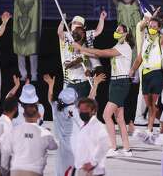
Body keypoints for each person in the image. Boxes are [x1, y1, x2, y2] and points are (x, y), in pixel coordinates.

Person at [73, 24, 134, 157]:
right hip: (115, 82)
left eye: (119, 30)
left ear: (125, 34)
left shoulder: (125, 47)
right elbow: (99, 53)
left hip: (121, 83)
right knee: (119, 118)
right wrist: (82, 51)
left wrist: (81, 48)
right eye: (116, 28)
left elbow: (101, 53)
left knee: (106, 115)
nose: (116, 31)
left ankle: (113, 147)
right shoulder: (118, 46)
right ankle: (127, 149)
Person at [43, 73, 106, 176]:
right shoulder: (76, 110)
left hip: (62, 150)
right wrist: (95, 84)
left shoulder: (56, 108)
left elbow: (50, 98)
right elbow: (90, 99)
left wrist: (50, 85)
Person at [0, 0, 48, 81]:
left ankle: (34, 74)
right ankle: (23, 74)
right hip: (19, 29)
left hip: (31, 29)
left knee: (32, 52)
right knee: (20, 52)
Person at [130, 17, 163, 132]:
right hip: (145, 73)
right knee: (148, 104)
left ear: (159, 28)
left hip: (156, 73)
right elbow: (139, 58)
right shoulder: (145, 40)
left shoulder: (160, 39)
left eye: (154, 27)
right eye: (150, 26)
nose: (152, 28)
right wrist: (133, 69)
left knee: (153, 103)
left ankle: (149, 128)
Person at [0, 103, 58, 176]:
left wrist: (4, 169)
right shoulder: (44, 132)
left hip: (16, 171)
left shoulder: (14, 131)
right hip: (34, 172)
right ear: (38, 115)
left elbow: (5, 150)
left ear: (23, 115)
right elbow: (54, 146)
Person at [58, 12, 107, 92]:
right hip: (69, 78)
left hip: (84, 79)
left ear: (83, 29)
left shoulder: (85, 35)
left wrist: (101, 19)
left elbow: (98, 31)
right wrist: (62, 21)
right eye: (74, 23)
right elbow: (60, 33)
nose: (76, 26)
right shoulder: (67, 35)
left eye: (79, 24)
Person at [71, 98, 110, 176]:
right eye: (80, 110)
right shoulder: (83, 125)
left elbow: (104, 145)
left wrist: (93, 163)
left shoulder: (98, 126)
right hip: (82, 169)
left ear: (93, 110)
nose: (82, 112)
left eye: (85, 109)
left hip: (92, 171)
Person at [0, 96, 18, 176]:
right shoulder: (6, 125)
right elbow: (6, 149)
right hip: (4, 166)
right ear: (15, 109)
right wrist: (5, 170)